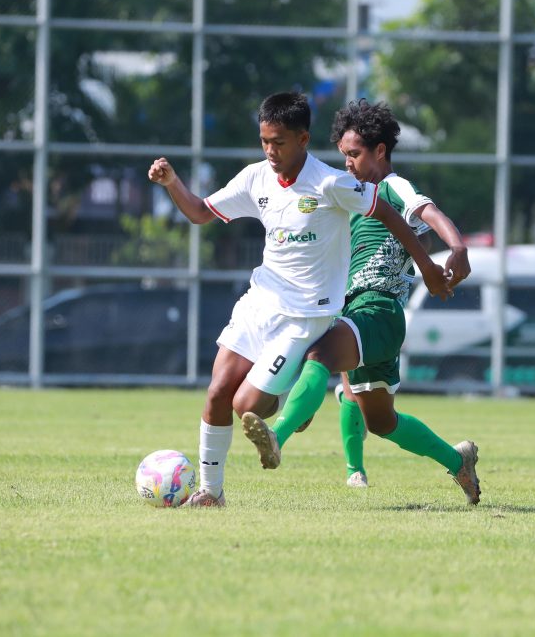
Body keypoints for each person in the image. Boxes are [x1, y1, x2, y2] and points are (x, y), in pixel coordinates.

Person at [147, 92, 451, 507]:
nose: (270, 151)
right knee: (218, 391)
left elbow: (389, 213)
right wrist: (172, 183)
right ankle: (210, 492)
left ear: (303, 139)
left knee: (246, 403)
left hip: (305, 317)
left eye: (279, 142)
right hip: (259, 303)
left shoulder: (331, 182)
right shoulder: (255, 177)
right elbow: (201, 212)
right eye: (264, 141)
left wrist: (428, 268)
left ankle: (295, 399)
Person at [238, 99, 481, 505]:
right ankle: (457, 460)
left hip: (379, 309)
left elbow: (430, 212)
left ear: (380, 152)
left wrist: (456, 247)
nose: (347, 163)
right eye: (343, 154)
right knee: (382, 421)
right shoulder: (346, 193)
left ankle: (277, 435)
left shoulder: (392, 187)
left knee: (320, 356)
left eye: (354, 154)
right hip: (348, 310)